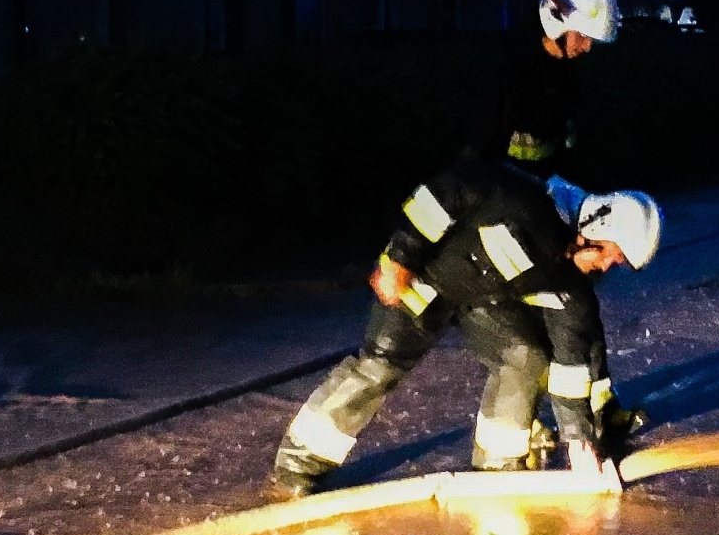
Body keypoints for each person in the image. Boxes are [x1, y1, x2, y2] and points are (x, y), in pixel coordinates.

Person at [266, 159, 662, 500]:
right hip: (423, 280)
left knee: (526, 358)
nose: (609, 266)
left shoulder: (571, 285)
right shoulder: (518, 199)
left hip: (484, 303)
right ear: (595, 227)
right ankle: (298, 466)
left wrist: (579, 441)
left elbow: (572, 362)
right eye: (613, 255)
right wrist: (398, 258)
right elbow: (439, 195)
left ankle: (497, 469)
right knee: (379, 366)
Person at [494, 0, 620, 177]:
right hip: (508, 193)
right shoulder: (514, 71)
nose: (587, 47)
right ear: (557, 22)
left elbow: (567, 147)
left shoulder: (568, 78)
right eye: (582, 36)